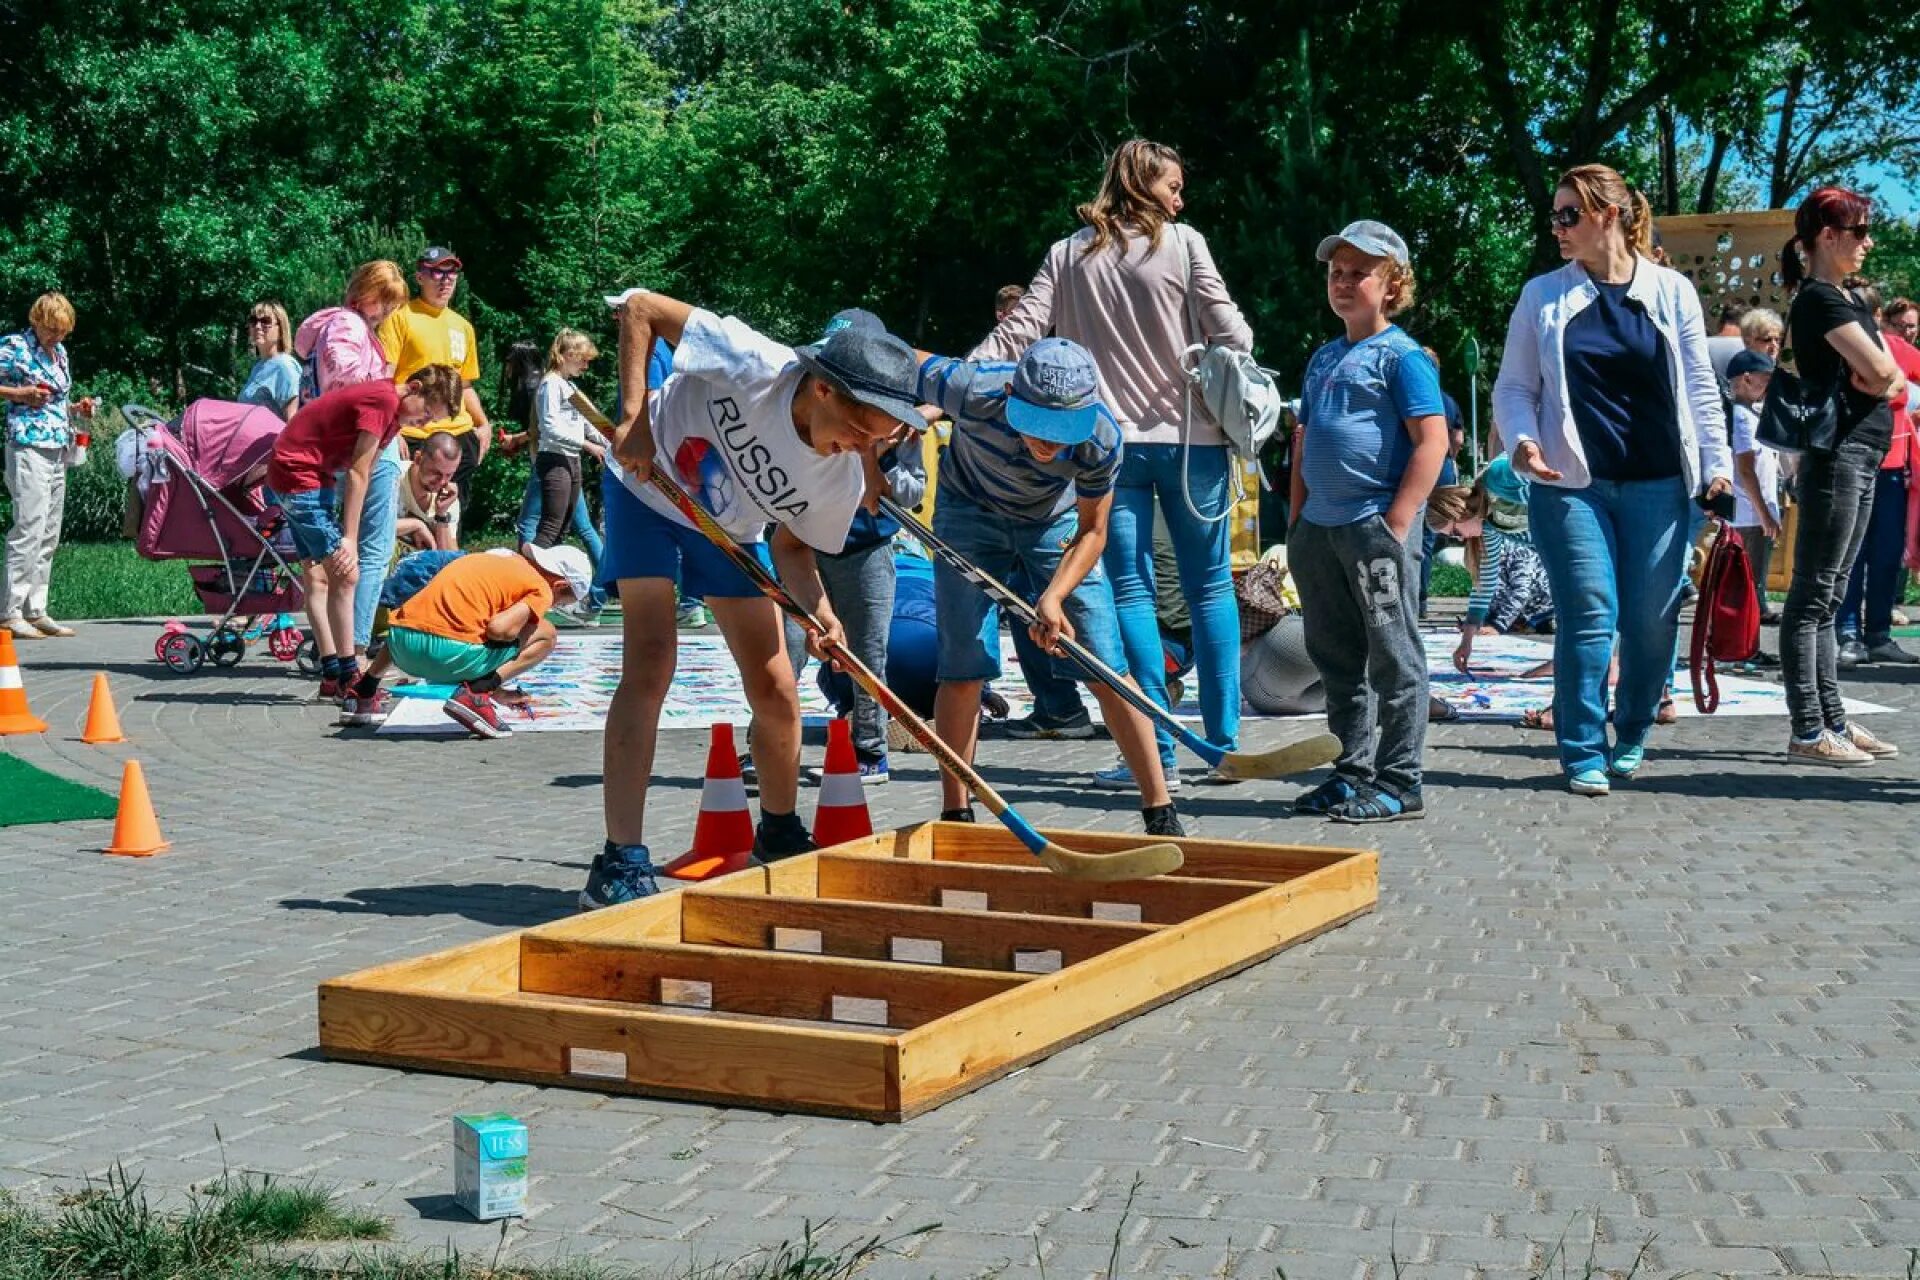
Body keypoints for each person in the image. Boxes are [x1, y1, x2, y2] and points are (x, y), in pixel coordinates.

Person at [581, 290, 923, 910]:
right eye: (856, 433)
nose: (857, 450)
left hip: (728, 531)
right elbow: (639, 309)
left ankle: (779, 832)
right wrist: (634, 418)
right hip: (649, 488)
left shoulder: (840, 479)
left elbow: (791, 547)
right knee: (652, 660)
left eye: (872, 442)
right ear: (823, 389)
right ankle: (620, 859)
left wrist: (820, 612)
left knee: (776, 686)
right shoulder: (755, 362)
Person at [973, 138, 1252, 789]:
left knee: (1130, 591)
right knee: (1210, 587)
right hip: (1195, 440)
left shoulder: (1067, 254)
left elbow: (1019, 332)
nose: (1180, 201)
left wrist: (956, 380)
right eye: (1173, 188)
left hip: (1107, 444)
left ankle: (1155, 753)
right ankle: (1224, 747)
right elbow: (1236, 336)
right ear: (1141, 183)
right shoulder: (1185, 244)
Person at [1493, 164, 1733, 796]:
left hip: (1660, 482)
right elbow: (1514, 387)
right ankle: (1581, 748)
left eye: (1568, 215)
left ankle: (1633, 727)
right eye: (1554, 215)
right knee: (1590, 610)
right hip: (1571, 485)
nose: (1557, 227)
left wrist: (1717, 470)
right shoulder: (1543, 296)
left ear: (1610, 215)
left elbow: (1700, 390)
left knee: (1651, 620)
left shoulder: (1672, 291)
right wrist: (1523, 443)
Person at [916, 336, 1184, 833]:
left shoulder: (1101, 437)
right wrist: (880, 443)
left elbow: (1093, 532)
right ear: (1012, 396)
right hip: (968, 511)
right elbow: (887, 360)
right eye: (1038, 426)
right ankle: (957, 813)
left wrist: (1054, 595)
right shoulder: (972, 388)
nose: (1048, 444)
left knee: (1104, 662)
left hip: (1054, 522)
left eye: (1061, 432)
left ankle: (1160, 811)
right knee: (964, 664)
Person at [1288, 220, 1449, 822]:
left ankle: (1400, 781)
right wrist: (1298, 520)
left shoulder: (1403, 358)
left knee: (1392, 656)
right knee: (1334, 655)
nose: (1344, 281)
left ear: (1392, 285)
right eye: (1336, 272)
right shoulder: (1324, 357)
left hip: (1372, 528)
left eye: (1360, 273)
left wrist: (1398, 523)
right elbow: (1304, 441)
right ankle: (1350, 771)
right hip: (1320, 531)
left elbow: (1432, 442)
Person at [1775, 186, 1907, 764]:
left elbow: (1891, 375)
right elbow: (1880, 371)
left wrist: (1884, 377)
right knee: (1813, 594)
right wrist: (1883, 377)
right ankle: (1808, 730)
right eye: (1860, 232)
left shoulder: (1845, 298)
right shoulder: (1819, 301)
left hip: (1861, 456)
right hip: (1838, 459)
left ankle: (1832, 718)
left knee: (1830, 596)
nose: (1868, 243)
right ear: (1827, 237)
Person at [785, 309, 928, 785]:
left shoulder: (897, 426)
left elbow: (912, 493)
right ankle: (769, 744)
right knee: (785, 648)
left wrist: (880, 457)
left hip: (864, 546)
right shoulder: (806, 406)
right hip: (800, 542)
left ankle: (870, 750)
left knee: (867, 651)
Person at [265, 366, 463, 701]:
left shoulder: (394, 417)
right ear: (414, 388)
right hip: (298, 474)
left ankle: (332, 674)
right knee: (348, 573)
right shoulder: (383, 401)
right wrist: (350, 539)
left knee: (321, 576)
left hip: (309, 475)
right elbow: (357, 473)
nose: (425, 423)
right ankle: (350, 678)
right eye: (427, 413)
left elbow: (365, 471)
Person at [342, 543, 592, 733]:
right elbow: (498, 630)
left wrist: (499, 692)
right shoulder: (541, 588)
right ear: (559, 585)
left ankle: (364, 690)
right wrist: (525, 627)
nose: (552, 606)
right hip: (444, 656)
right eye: (560, 602)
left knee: (418, 617)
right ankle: (478, 694)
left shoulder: (493, 559)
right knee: (546, 633)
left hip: (400, 646)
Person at [295, 260, 411, 663]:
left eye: (393, 303)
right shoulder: (348, 324)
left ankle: (340, 648)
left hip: (338, 445)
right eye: (385, 300)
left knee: (343, 554)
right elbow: (345, 378)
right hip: (363, 441)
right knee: (372, 549)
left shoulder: (334, 325)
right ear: (364, 294)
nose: (388, 310)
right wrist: (389, 390)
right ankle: (355, 649)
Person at [1836, 280, 1920, 668]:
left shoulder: (1899, 350)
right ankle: (1848, 633)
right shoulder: (1837, 345)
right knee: (1851, 554)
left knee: (1886, 554)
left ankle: (1879, 634)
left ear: (1876, 316)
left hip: (1892, 468)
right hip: (1850, 461)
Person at [1, 293, 94, 639]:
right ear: (37, 321)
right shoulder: (15, 347)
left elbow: (56, 400)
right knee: (28, 526)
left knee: (49, 530)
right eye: (52, 329)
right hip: (28, 445)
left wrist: (76, 409)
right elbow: (21, 393)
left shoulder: (60, 353)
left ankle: (35, 608)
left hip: (58, 445)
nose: (58, 336)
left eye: (63, 331)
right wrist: (19, 394)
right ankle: (9, 611)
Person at [377, 247, 490, 499]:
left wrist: (484, 424)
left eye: (452, 273)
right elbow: (384, 381)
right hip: (415, 436)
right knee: (410, 515)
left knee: (451, 515)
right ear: (420, 277)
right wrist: (391, 431)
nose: (446, 280)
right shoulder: (399, 318)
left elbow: (465, 385)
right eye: (437, 272)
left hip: (459, 437)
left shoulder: (463, 327)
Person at [1426, 455, 1543, 669]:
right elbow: (1484, 584)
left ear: (1458, 511)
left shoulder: (1496, 478)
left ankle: (1590, 663)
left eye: (1455, 532)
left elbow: (1544, 474)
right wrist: (1466, 642)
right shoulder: (1488, 527)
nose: (1460, 539)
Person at [529, 330, 604, 556]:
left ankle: (549, 574)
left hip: (571, 459)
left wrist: (615, 446)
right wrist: (587, 445)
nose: (586, 366)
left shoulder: (570, 387)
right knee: (551, 527)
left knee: (562, 528)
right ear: (569, 355)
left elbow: (591, 423)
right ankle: (525, 570)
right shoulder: (551, 384)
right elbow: (549, 427)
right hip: (554, 460)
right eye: (584, 360)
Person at [1726, 349, 1784, 636]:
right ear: (1747, 379)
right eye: (1765, 379)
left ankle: (1746, 639)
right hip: (1749, 516)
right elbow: (1746, 469)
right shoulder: (1741, 418)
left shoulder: (1752, 414)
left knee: (1754, 580)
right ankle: (1742, 644)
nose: (1769, 386)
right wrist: (1764, 514)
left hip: (1756, 513)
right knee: (1747, 582)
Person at [394, 431, 463, 552]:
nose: (442, 482)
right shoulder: (392, 477)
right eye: (436, 473)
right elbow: (370, 525)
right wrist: (416, 525)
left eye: (449, 475)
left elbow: (450, 556)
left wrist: (441, 515)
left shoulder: (448, 498)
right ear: (418, 459)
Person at [238, 302, 301, 419]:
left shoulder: (285, 366)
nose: (257, 326)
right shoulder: (257, 367)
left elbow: (292, 420)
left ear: (280, 330)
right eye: (253, 321)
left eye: (265, 321)